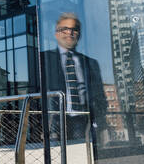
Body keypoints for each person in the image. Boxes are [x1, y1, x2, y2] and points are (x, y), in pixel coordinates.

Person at [44, 12, 107, 144]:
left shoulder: (91, 63)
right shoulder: (44, 59)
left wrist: (103, 125)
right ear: (56, 34)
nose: (69, 32)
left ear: (79, 35)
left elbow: (100, 96)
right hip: (56, 121)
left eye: (74, 29)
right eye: (64, 29)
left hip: (83, 119)